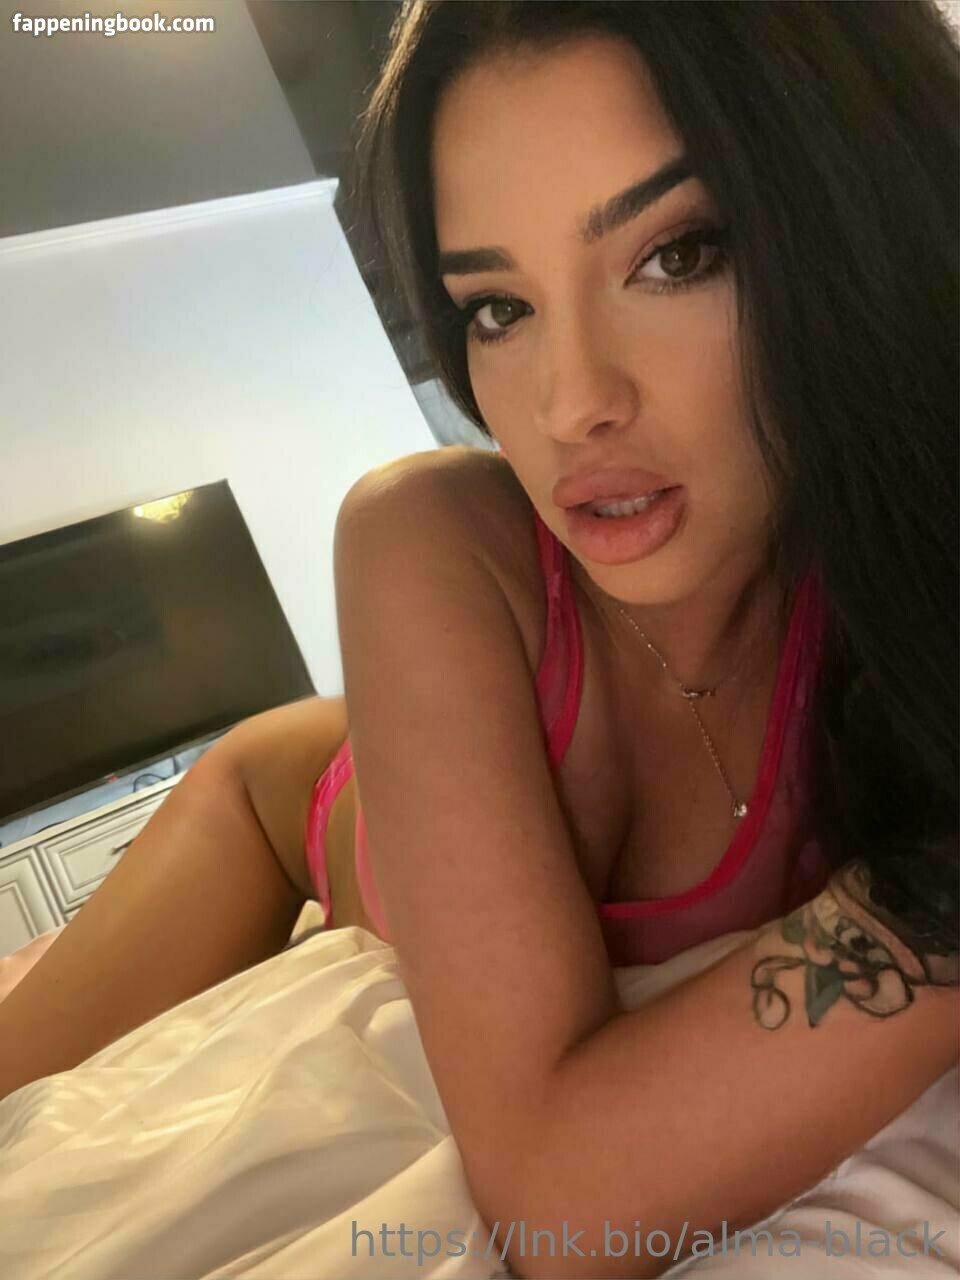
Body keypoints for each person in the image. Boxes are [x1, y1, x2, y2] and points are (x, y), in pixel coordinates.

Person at [1, 3, 957, 1276]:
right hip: (277, 797)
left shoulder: (901, 571)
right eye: (499, 307)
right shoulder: (423, 532)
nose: (572, 406)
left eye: (678, 255)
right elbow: (564, 1203)